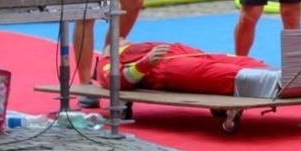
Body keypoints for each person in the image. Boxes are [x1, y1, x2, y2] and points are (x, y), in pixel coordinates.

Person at [96, 41, 284, 98]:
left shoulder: (126, 45)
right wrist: (145, 63)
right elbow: (114, 80)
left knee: (242, 60)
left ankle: (291, 76)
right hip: (165, 65)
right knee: (219, 72)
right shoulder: (106, 59)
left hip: (184, 53)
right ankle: (275, 85)